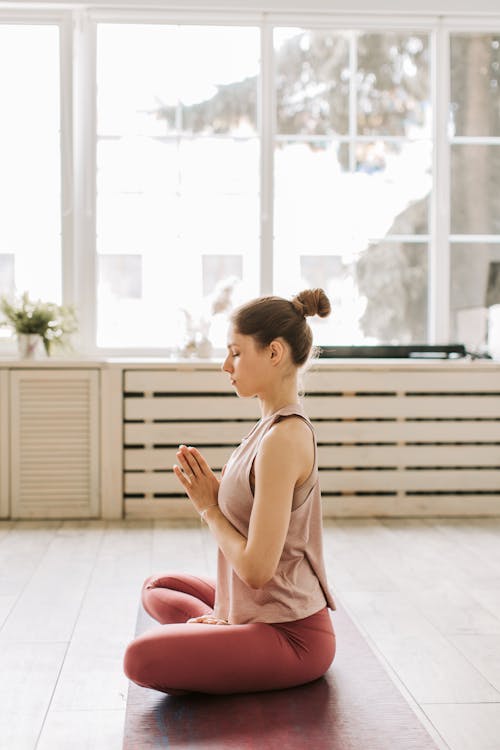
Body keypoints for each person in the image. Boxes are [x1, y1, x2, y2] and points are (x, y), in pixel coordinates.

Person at [123, 288, 337, 695]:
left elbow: (257, 571)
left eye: (236, 352)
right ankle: (228, 625)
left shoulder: (284, 439)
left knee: (140, 658)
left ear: (274, 353)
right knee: (158, 587)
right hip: (255, 611)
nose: (226, 365)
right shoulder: (266, 428)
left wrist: (209, 508)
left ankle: (230, 632)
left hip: (292, 636)